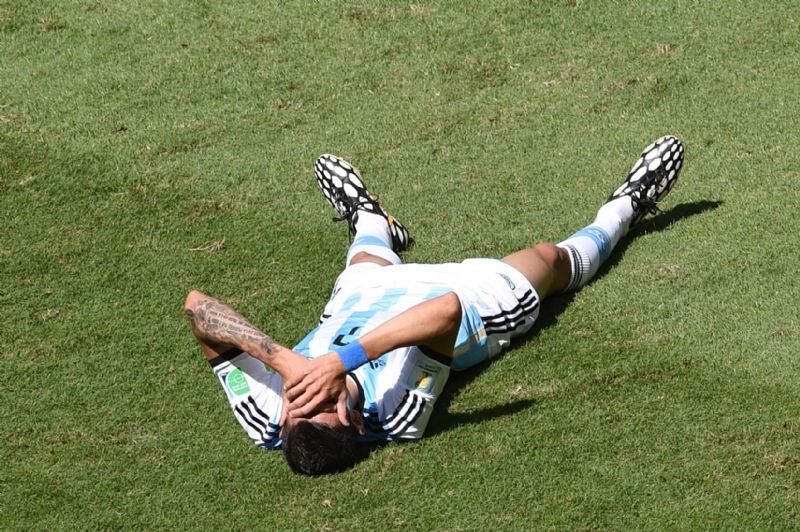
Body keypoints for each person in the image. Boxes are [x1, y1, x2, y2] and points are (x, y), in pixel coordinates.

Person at [184, 136, 685, 475]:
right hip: (470, 308)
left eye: (299, 406)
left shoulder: (266, 414)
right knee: (548, 260)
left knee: (364, 261)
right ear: (355, 423)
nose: (309, 393)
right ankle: (627, 207)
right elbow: (444, 311)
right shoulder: (397, 416)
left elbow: (197, 308)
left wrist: (285, 362)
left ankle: (370, 219)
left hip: (360, 300)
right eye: (323, 404)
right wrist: (340, 362)